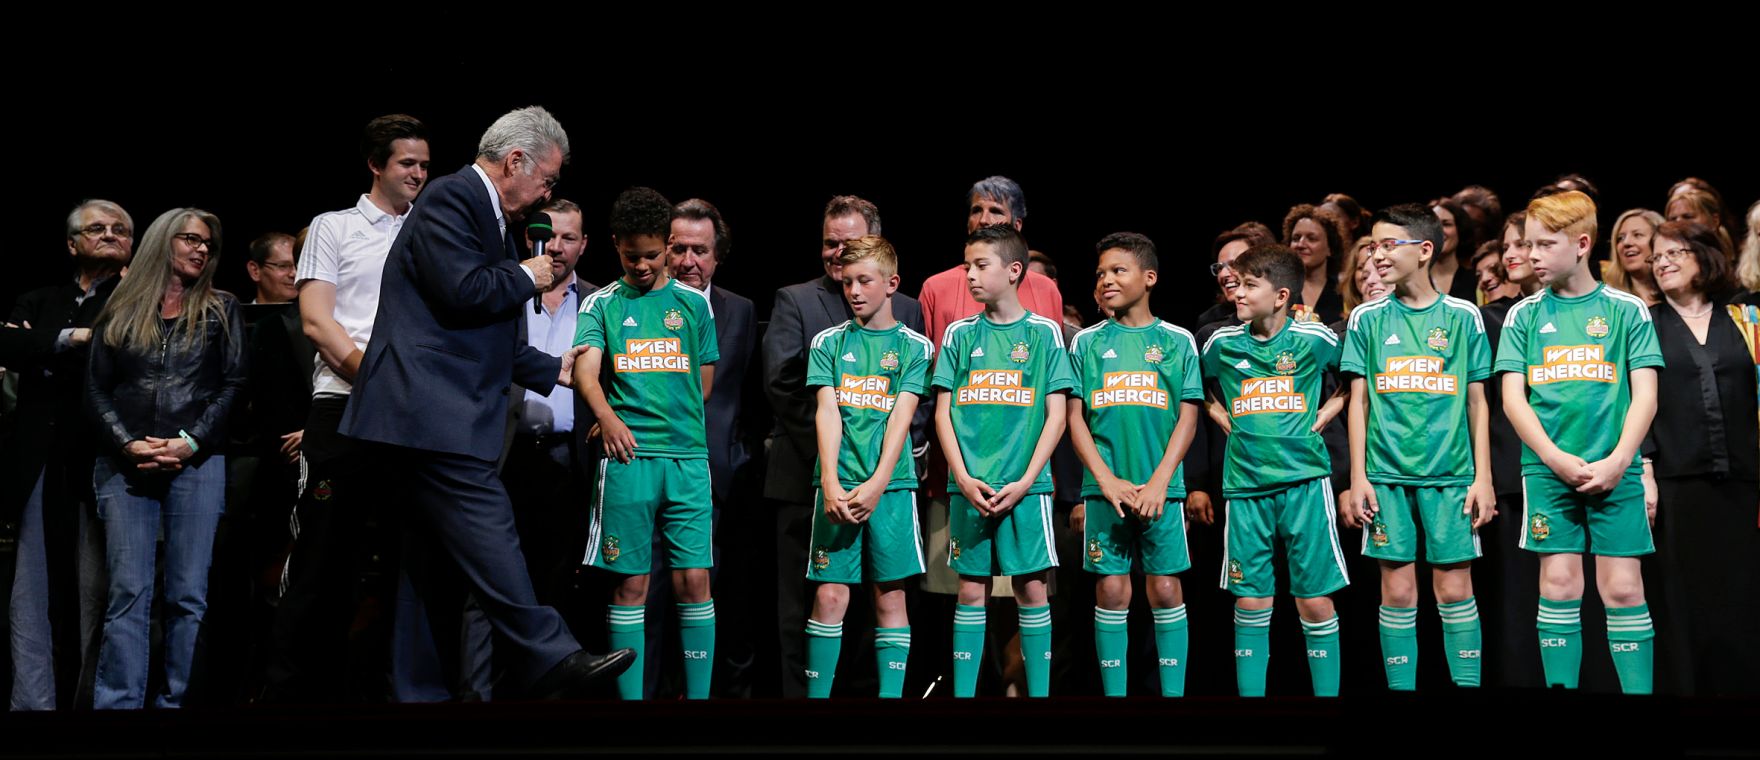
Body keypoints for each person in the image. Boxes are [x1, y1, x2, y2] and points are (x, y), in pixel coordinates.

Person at [338, 105, 633, 700]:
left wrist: (555, 370)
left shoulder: (487, 215)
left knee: (426, 562)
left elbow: (482, 333)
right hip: (430, 411)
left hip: (429, 413)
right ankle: (550, 657)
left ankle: (419, 692)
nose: (547, 193)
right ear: (515, 160)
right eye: (547, 179)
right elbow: (464, 291)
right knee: (491, 527)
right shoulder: (454, 198)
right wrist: (531, 276)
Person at [266, 113, 432, 703]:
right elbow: (316, 320)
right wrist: (379, 381)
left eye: (424, 165)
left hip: (414, 419)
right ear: (376, 164)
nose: (418, 173)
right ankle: (290, 697)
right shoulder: (333, 227)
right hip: (344, 407)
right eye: (407, 163)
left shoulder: (432, 231)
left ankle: (377, 695)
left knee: (401, 563)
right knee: (319, 558)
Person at [1495, 190, 1662, 694]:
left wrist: (1618, 461)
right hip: (1548, 472)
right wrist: (1553, 457)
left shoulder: (1627, 310)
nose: (1532, 256)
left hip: (1618, 470)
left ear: (1583, 243)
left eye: (1545, 246)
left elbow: (1646, 396)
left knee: (1624, 588)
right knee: (1560, 585)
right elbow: (1513, 399)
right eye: (1528, 245)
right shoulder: (1523, 316)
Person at [86, 207, 246, 708]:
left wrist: (190, 442)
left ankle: (176, 707)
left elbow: (233, 385)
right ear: (163, 242)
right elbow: (95, 387)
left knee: (187, 596)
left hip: (196, 464)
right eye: (191, 239)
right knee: (128, 593)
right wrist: (126, 443)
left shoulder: (222, 307)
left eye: (208, 243)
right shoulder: (119, 306)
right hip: (125, 463)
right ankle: (119, 708)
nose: (201, 249)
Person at [1340, 204, 1494, 690]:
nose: (1378, 255)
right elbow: (1358, 404)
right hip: (1385, 478)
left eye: (1389, 245)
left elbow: (1477, 404)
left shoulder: (1464, 316)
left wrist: (1483, 478)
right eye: (1373, 246)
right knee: (1399, 591)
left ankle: (1467, 692)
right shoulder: (1366, 318)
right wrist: (1358, 477)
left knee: (1453, 590)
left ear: (1425, 250)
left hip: (1451, 476)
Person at [575, 187, 719, 700]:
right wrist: (609, 418)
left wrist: (668, 411)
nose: (642, 264)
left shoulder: (692, 305)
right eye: (631, 254)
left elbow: (702, 383)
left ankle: (698, 701)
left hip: (687, 460)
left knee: (694, 581)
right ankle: (631, 708)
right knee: (630, 584)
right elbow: (587, 372)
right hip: (627, 459)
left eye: (652, 255)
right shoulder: (602, 304)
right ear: (615, 246)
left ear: (667, 246)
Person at [1199, 244, 1349, 697]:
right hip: (1245, 486)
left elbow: (1352, 380)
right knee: (1250, 600)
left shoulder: (1315, 339)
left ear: (1281, 295)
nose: (1237, 293)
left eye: (1249, 285)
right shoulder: (1219, 343)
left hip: (1306, 482)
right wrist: (1221, 415)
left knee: (1314, 599)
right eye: (1236, 283)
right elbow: (1194, 390)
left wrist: (1329, 410)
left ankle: (1327, 707)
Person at [933, 224, 1074, 698]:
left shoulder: (1044, 335)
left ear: (1014, 271)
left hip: (1027, 490)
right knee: (971, 591)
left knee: (1032, 591)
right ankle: (965, 701)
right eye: (966, 264)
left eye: (980, 265)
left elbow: (1057, 417)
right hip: (969, 486)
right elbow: (942, 414)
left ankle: (1037, 699)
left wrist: (1027, 481)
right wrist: (963, 476)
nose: (969, 274)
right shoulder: (958, 334)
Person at [5, 199, 132, 710]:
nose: (109, 234)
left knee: (98, 585)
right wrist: (70, 337)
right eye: (96, 228)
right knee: (29, 586)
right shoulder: (41, 298)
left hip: (105, 454)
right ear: (71, 244)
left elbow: (121, 350)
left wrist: (40, 348)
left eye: (120, 228)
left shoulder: (137, 298)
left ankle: (92, 704)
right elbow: (4, 346)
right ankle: (32, 705)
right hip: (36, 454)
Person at [1065, 232, 1201, 697]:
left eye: (1117, 271)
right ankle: (1115, 700)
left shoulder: (1177, 340)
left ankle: (1173, 696)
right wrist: (1104, 480)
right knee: (1111, 590)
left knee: (1164, 589)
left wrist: (1161, 481)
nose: (1105, 280)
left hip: (1161, 490)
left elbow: (1188, 414)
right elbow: (1073, 418)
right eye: (1100, 273)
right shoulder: (1085, 343)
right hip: (1106, 490)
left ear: (1149, 278)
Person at [800, 234, 931, 698]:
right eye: (847, 282)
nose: (853, 290)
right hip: (836, 487)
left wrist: (878, 482)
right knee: (830, 594)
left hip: (891, 488)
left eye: (864, 281)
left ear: (891, 283)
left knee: (890, 595)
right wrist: (831, 481)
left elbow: (902, 418)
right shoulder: (828, 343)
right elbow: (827, 411)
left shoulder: (915, 347)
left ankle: (890, 705)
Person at [1645, 221, 1759, 695]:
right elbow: (1634, 407)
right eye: (1657, 256)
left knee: (1742, 600)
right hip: (1675, 486)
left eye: (1676, 251)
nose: (1662, 261)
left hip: (1743, 484)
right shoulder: (1644, 321)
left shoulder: (1746, 319)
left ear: (1705, 256)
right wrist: (1646, 470)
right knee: (1682, 603)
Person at [1603, 209, 1664, 306]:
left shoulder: (1678, 298)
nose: (1626, 243)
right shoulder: (1608, 303)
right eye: (1620, 238)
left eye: (1637, 235)